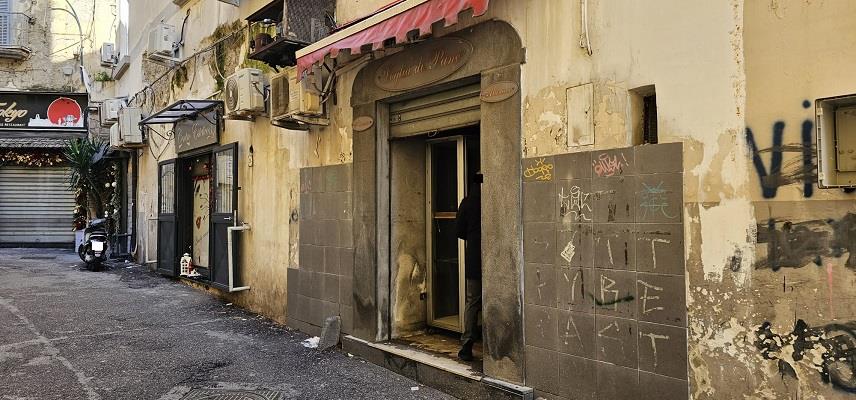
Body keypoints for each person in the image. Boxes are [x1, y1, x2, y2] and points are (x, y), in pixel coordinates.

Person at [455, 173, 482, 361]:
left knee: (472, 301)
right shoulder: (493, 200)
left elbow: (459, 231)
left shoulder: (467, 202)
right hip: (496, 258)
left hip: (474, 258)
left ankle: (467, 344)